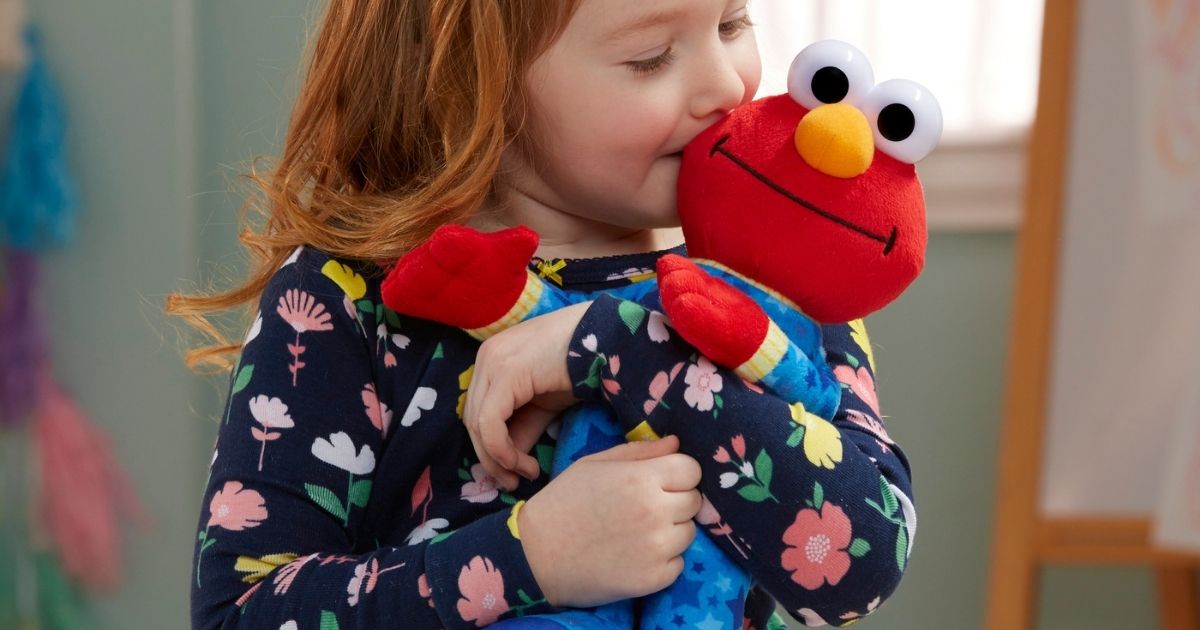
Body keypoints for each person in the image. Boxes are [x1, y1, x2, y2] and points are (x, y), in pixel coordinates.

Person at [169, 1, 916, 628]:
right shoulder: (347, 296)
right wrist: (527, 559)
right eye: (651, 56)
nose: (728, 84)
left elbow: (863, 559)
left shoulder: (773, 281)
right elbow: (244, 612)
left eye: (732, 22)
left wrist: (618, 348)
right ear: (474, 79)